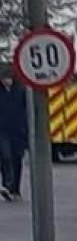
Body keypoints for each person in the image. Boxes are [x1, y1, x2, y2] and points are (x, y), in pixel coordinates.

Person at [0, 72, 27, 200]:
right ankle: (7, 185)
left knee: (17, 159)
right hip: (2, 130)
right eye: (5, 78)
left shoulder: (21, 90)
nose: (7, 81)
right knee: (6, 157)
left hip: (18, 130)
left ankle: (15, 188)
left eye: (9, 78)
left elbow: (27, 110)